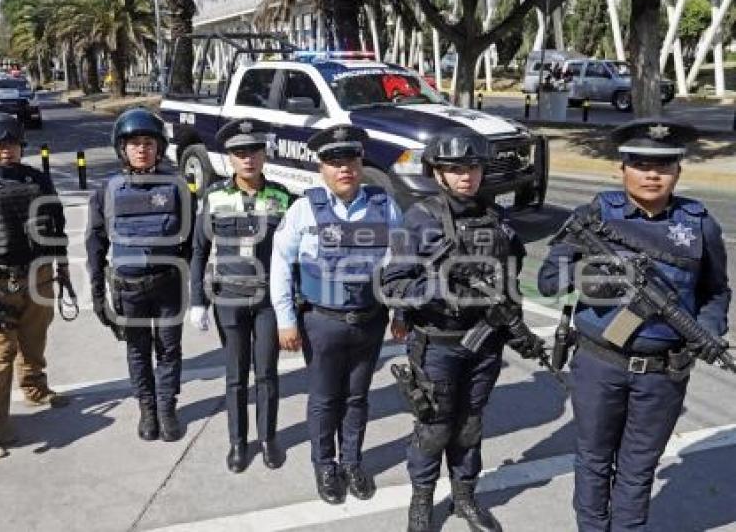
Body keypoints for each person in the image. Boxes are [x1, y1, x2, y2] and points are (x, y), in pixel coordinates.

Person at [537, 119, 731, 532]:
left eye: (663, 165)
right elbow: (548, 280)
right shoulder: (593, 216)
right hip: (599, 365)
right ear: (621, 168)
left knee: (638, 468)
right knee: (592, 460)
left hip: (663, 373)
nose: (651, 174)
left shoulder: (698, 225)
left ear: (678, 171)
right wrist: (595, 277)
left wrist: (710, 328)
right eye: (640, 163)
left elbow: (716, 291)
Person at [381, 131, 539, 532]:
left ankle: (465, 497)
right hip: (438, 343)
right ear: (437, 173)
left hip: (485, 341)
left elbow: (510, 278)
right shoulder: (419, 218)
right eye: (455, 169)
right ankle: (421, 501)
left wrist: (515, 324)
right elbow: (392, 284)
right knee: (434, 427)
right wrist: (437, 290)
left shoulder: (496, 217)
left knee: (470, 423)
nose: (466, 176)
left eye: (472, 167)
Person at [270, 124, 404, 504]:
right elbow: (281, 263)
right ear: (321, 168)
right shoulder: (304, 209)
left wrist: (401, 313)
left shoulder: (384, 205)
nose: (344, 167)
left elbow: (401, 262)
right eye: (334, 160)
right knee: (326, 398)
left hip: (369, 319)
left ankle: (352, 462)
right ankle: (324, 465)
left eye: (351, 159)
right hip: (321, 322)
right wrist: (285, 320)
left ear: (361, 162)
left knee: (357, 397)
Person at [0, 112, 69, 445]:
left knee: (35, 339)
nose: (7, 151)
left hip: (41, 275)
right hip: (1, 283)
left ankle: (34, 388)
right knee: (1, 352)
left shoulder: (38, 180)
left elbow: (55, 224)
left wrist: (61, 264)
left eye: (13, 144)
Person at [188, 118, 292, 473]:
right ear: (229, 158)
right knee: (235, 376)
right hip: (229, 300)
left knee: (266, 373)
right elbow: (199, 250)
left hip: (267, 302)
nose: (248, 158)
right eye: (239, 152)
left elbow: (294, 254)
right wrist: (197, 302)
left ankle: (268, 438)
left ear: (265, 154)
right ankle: (237, 442)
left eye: (254, 151)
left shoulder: (282, 196)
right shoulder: (214, 197)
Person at [86, 107, 193, 442]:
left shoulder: (176, 186)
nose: (142, 149)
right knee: (137, 350)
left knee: (169, 349)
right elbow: (95, 242)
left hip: (168, 285)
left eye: (148, 142)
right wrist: (97, 294)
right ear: (122, 149)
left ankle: (166, 407)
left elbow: (191, 239)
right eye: (134, 143)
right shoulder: (108, 191)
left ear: (159, 148)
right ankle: (146, 408)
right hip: (128, 288)